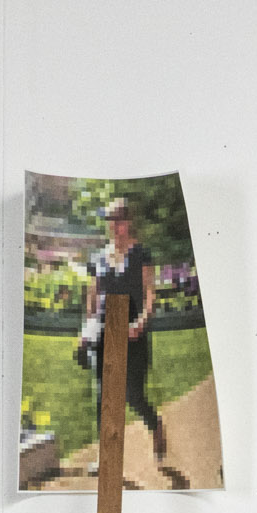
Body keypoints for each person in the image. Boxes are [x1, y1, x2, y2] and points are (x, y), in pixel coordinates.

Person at [82, 196, 169, 470]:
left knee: (132, 395)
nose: (115, 225)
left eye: (120, 220)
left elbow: (150, 293)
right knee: (103, 397)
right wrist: (87, 328)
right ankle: (106, 457)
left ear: (128, 222)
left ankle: (154, 424)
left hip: (132, 331)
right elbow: (93, 295)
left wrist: (142, 321)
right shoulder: (98, 257)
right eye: (111, 220)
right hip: (105, 332)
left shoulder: (141, 254)